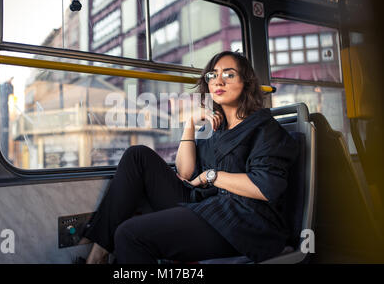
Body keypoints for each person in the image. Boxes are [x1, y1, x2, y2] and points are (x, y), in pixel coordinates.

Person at [81, 51, 299, 264]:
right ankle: (99, 250)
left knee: (129, 235)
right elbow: (185, 172)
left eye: (229, 74)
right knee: (137, 155)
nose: (218, 81)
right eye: (213, 75)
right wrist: (190, 125)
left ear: (247, 83)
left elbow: (265, 187)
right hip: (207, 204)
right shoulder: (220, 127)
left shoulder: (265, 129)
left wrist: (210, 176)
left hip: (242, 222)